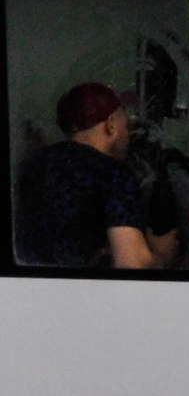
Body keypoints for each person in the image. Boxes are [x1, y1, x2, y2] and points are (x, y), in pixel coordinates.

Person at [15, 83, 179, 269]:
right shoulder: (112, 174)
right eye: (126, 125)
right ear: (111, 125)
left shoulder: (35, 165)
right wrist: (161, 255)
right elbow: (130, 264)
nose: (130, 136)